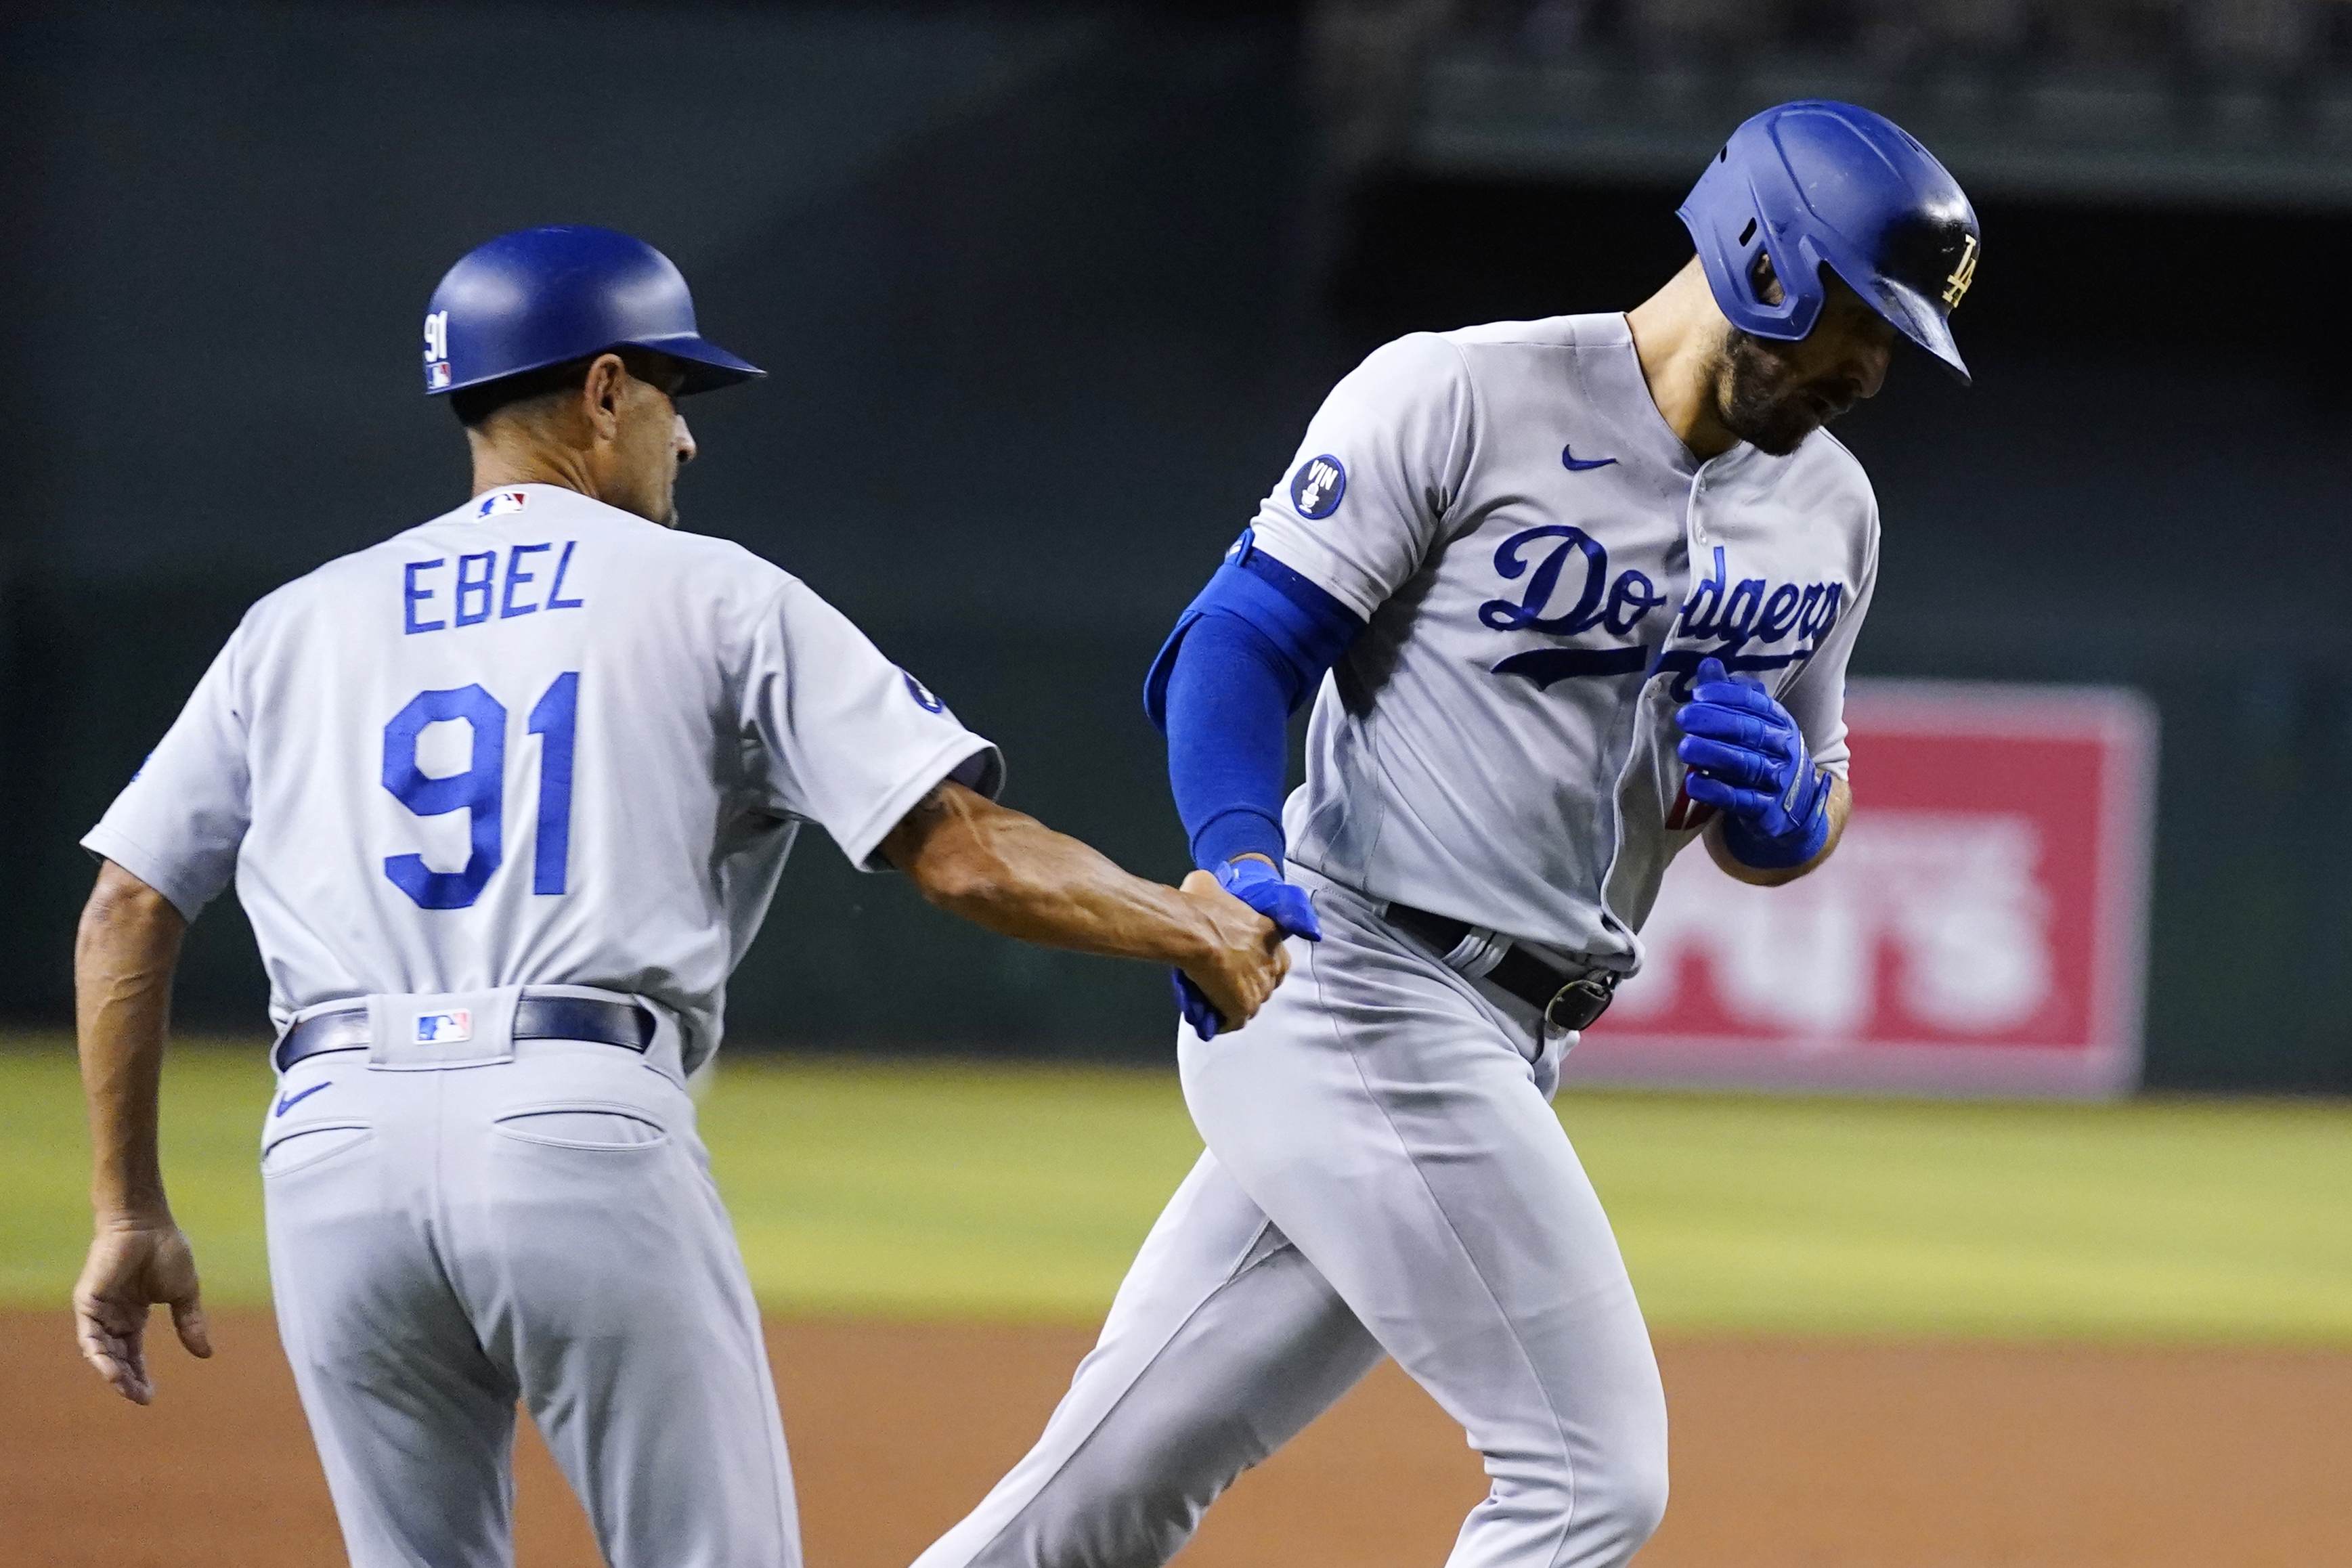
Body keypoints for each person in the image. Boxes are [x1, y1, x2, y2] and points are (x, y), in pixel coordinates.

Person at [70, 224, 1288, 1568]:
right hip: (574, 1122)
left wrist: (128, 1209)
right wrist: (1196, 925)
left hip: (326, 1155)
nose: (687, 439)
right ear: (601, 389)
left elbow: (130, 907)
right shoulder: (716, 595)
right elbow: (969, 855)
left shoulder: (297, 623)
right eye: (673, 393)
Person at [912, 100, 1980, 1568]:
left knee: (1106, 1490)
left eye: (1900, 341)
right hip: (1355, 976)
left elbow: (1816, 786)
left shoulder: (1832, 512)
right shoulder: (1467, 397)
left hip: (1519, 1033)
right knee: (1589, 1482)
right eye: (1863, 319)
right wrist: (1235, 855)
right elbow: (1235, 646)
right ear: (1764, 256)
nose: (1873, 369)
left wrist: (1795, 817)